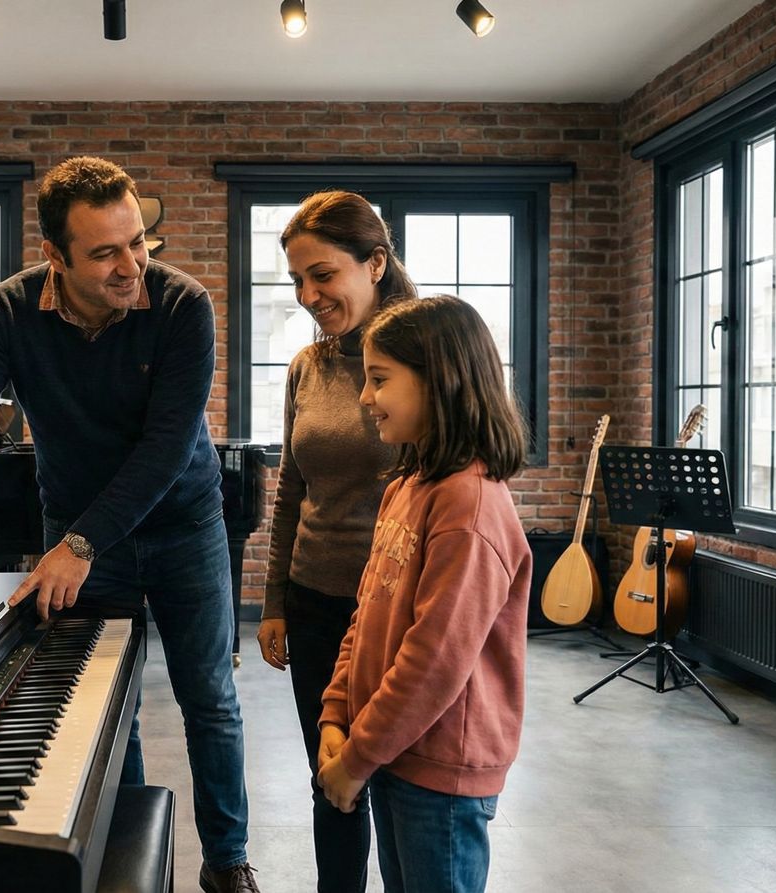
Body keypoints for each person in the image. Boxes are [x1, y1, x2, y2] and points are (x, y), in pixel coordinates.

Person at [0, 156, 259, 893]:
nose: (130, 264)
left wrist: (77, 543)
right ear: (55, 256)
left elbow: (165, 450)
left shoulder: (181, 306)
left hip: (182, 522)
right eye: (105, 252)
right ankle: (123, 848)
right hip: (75, 519)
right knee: (109, 696)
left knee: (210, 695)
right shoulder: (8, 312)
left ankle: (227, 860)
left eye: (137, 242)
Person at [316, 295, 531, 893]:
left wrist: (357, 758)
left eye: (380, 380)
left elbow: (435, 661)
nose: (365, 397)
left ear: (441, 382)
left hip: (440, 771)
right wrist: (338, 715)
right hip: (389, 751)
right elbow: (363, 620)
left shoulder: (470, 506)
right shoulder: (405, 487)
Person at [254, 190, 415, 893]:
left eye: (322, 274)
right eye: (296, 279)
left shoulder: (424, 358)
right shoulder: (307, 367)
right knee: (332, 777)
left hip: (398, 607)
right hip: (317, 600)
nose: (308, 293)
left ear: (374, 261)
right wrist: (273, 599)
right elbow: (291, 489)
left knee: (403, 780)